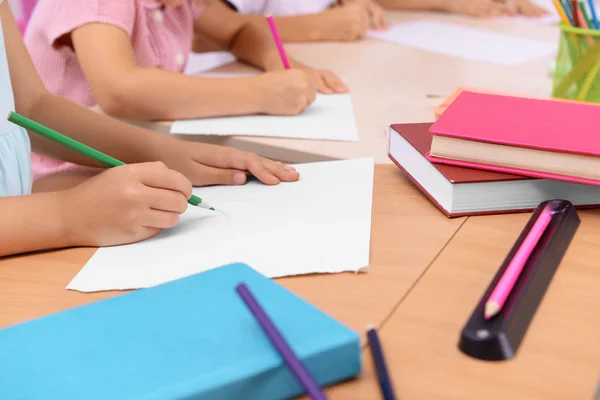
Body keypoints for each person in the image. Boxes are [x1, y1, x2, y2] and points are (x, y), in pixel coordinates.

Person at [0, 0, 299, 257]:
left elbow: (30, 107)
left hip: (30, 212)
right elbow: (118, 88)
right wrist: (67, 215)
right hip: (42, 210)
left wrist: (171, 153)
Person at [24, 0, 347, 179]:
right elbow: (120, 90)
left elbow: (238, 32)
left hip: (143, 150)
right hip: (65, 171)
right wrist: (259, 93)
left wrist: (279, 63)